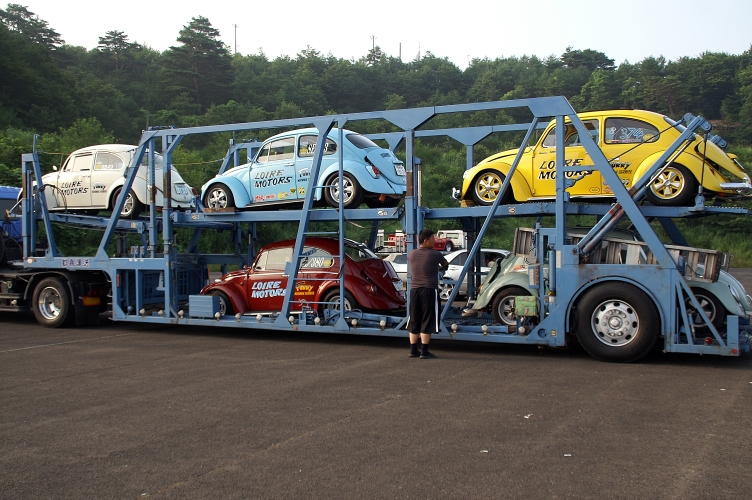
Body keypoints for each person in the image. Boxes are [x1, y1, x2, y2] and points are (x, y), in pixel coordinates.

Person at [407, 229, 448, 359]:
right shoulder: (435, 254)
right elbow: (445, 264)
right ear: (425, 241)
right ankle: (424, 351)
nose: (434, 240)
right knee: (427, 319)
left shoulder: (412, 253)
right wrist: (440, 268)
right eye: (432, 238)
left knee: (414, 319)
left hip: (414, 290)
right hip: (429, 290)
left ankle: (413, 350)